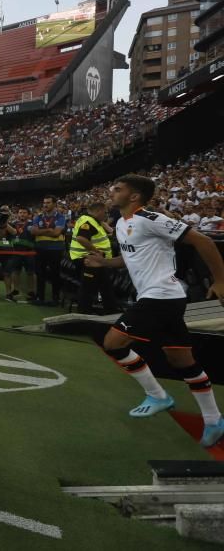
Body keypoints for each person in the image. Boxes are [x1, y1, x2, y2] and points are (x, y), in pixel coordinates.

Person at [85, 174, 224, 448]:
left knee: (113, 343)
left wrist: (220, 281)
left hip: (160, 296)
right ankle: (213, 419)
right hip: (165, 298)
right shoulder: (122, 224)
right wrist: (104, 263)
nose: (111, 191)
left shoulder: (149, 218)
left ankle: (157, 395)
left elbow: (204, 242)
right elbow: (128, 259)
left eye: (118, 188)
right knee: (181, 360)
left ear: (134, 196)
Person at [69, 201, 117, 315]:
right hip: (90, 260)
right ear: (98, 211)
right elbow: (81, 238)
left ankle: (110, 311)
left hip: (94, 260)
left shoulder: (89, 219)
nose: (106, 215)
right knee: (88, 288)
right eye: (105, 212)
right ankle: (84, 313)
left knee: (104, 286)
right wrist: (96, 251)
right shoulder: (88, 221)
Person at [30, 195, 66, 305]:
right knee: (40, 274)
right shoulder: (38, 217)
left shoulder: (61, 217)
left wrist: (42, 231)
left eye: (48, 202)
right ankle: (40, 298)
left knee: (55, 274)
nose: (45, 205)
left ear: (54, 204)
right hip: (40, 249)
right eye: (44, 202)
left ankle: (55, 298)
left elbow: (56, 233)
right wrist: (49, 230)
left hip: (56, 249)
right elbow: (33, 232)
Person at [6, 207, 36, 302]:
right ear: (17, 214)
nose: (22, 214)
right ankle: (16, 289)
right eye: (20, 212)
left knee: (30, 272)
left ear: (28, 214)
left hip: (29, 252)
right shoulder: (13, 224)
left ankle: (31, 291)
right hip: (16, 251)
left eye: (24, 212)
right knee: (15, 272)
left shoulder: (33, 224)